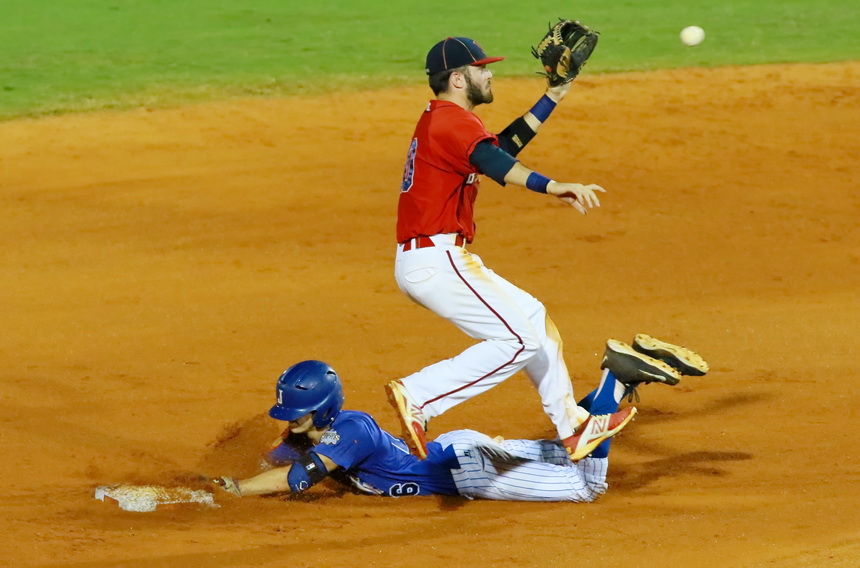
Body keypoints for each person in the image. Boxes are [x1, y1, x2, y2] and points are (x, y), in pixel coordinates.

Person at [387, 36, 626, 461]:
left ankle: (573, 427)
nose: (490, 73)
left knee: (533, 319)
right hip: (437, 259)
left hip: (432, 257)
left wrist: (553, 95)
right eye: (481, 68)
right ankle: (419, 395)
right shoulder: (450, 122)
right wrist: (554, 186)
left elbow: (500, 148)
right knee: (519, 340)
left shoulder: (447, 121)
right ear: (458, 79)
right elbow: (499, 165)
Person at [214, 336, 708, 502]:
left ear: (321, 409)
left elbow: (299, 478)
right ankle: (621, 377)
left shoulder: (350, 430)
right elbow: (275, 464)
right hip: (460, 449)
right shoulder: (311, 435)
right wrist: (216, 480)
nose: (290, 421)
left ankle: (614, 379)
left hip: (470, 471)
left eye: (296, 413)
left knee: (587, 485)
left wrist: (236, 490)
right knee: (567, 447)